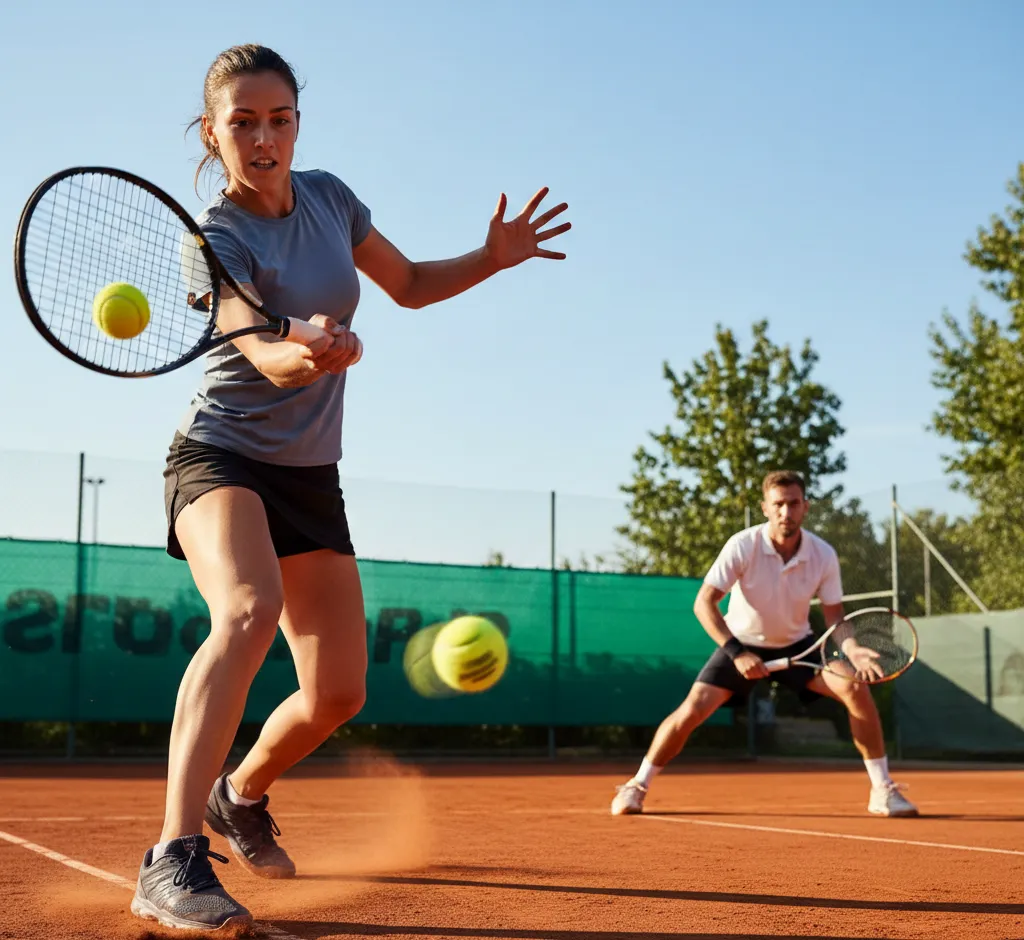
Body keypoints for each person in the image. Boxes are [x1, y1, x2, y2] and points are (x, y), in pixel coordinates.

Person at [130, 43, 570, 933]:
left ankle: (240, 793)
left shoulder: (330, 196)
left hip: (308, 476)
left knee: (337, 694)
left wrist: (491, 256)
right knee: (246, 611)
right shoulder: (212, 238)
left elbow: (405, 285)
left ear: (298, 123)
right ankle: (171, 856)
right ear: (212, 134)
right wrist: (315, 348)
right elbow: (263, 352)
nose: (263, 136)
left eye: (279, 119)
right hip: (219, 457)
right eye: (242, 121)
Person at [610, 470, 918, 820]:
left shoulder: (823, 554)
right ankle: (637, 785)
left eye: (794, 503)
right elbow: (704, 603)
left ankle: (882, 790)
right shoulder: (743, 545)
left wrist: (852, 648)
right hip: (741, 643)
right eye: (779, 504)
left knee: (855, 688)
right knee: (693, 709)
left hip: (799, 646)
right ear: (766, 508)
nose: (787, 512)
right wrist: (737, 653)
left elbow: (835, 617)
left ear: (806, 507)